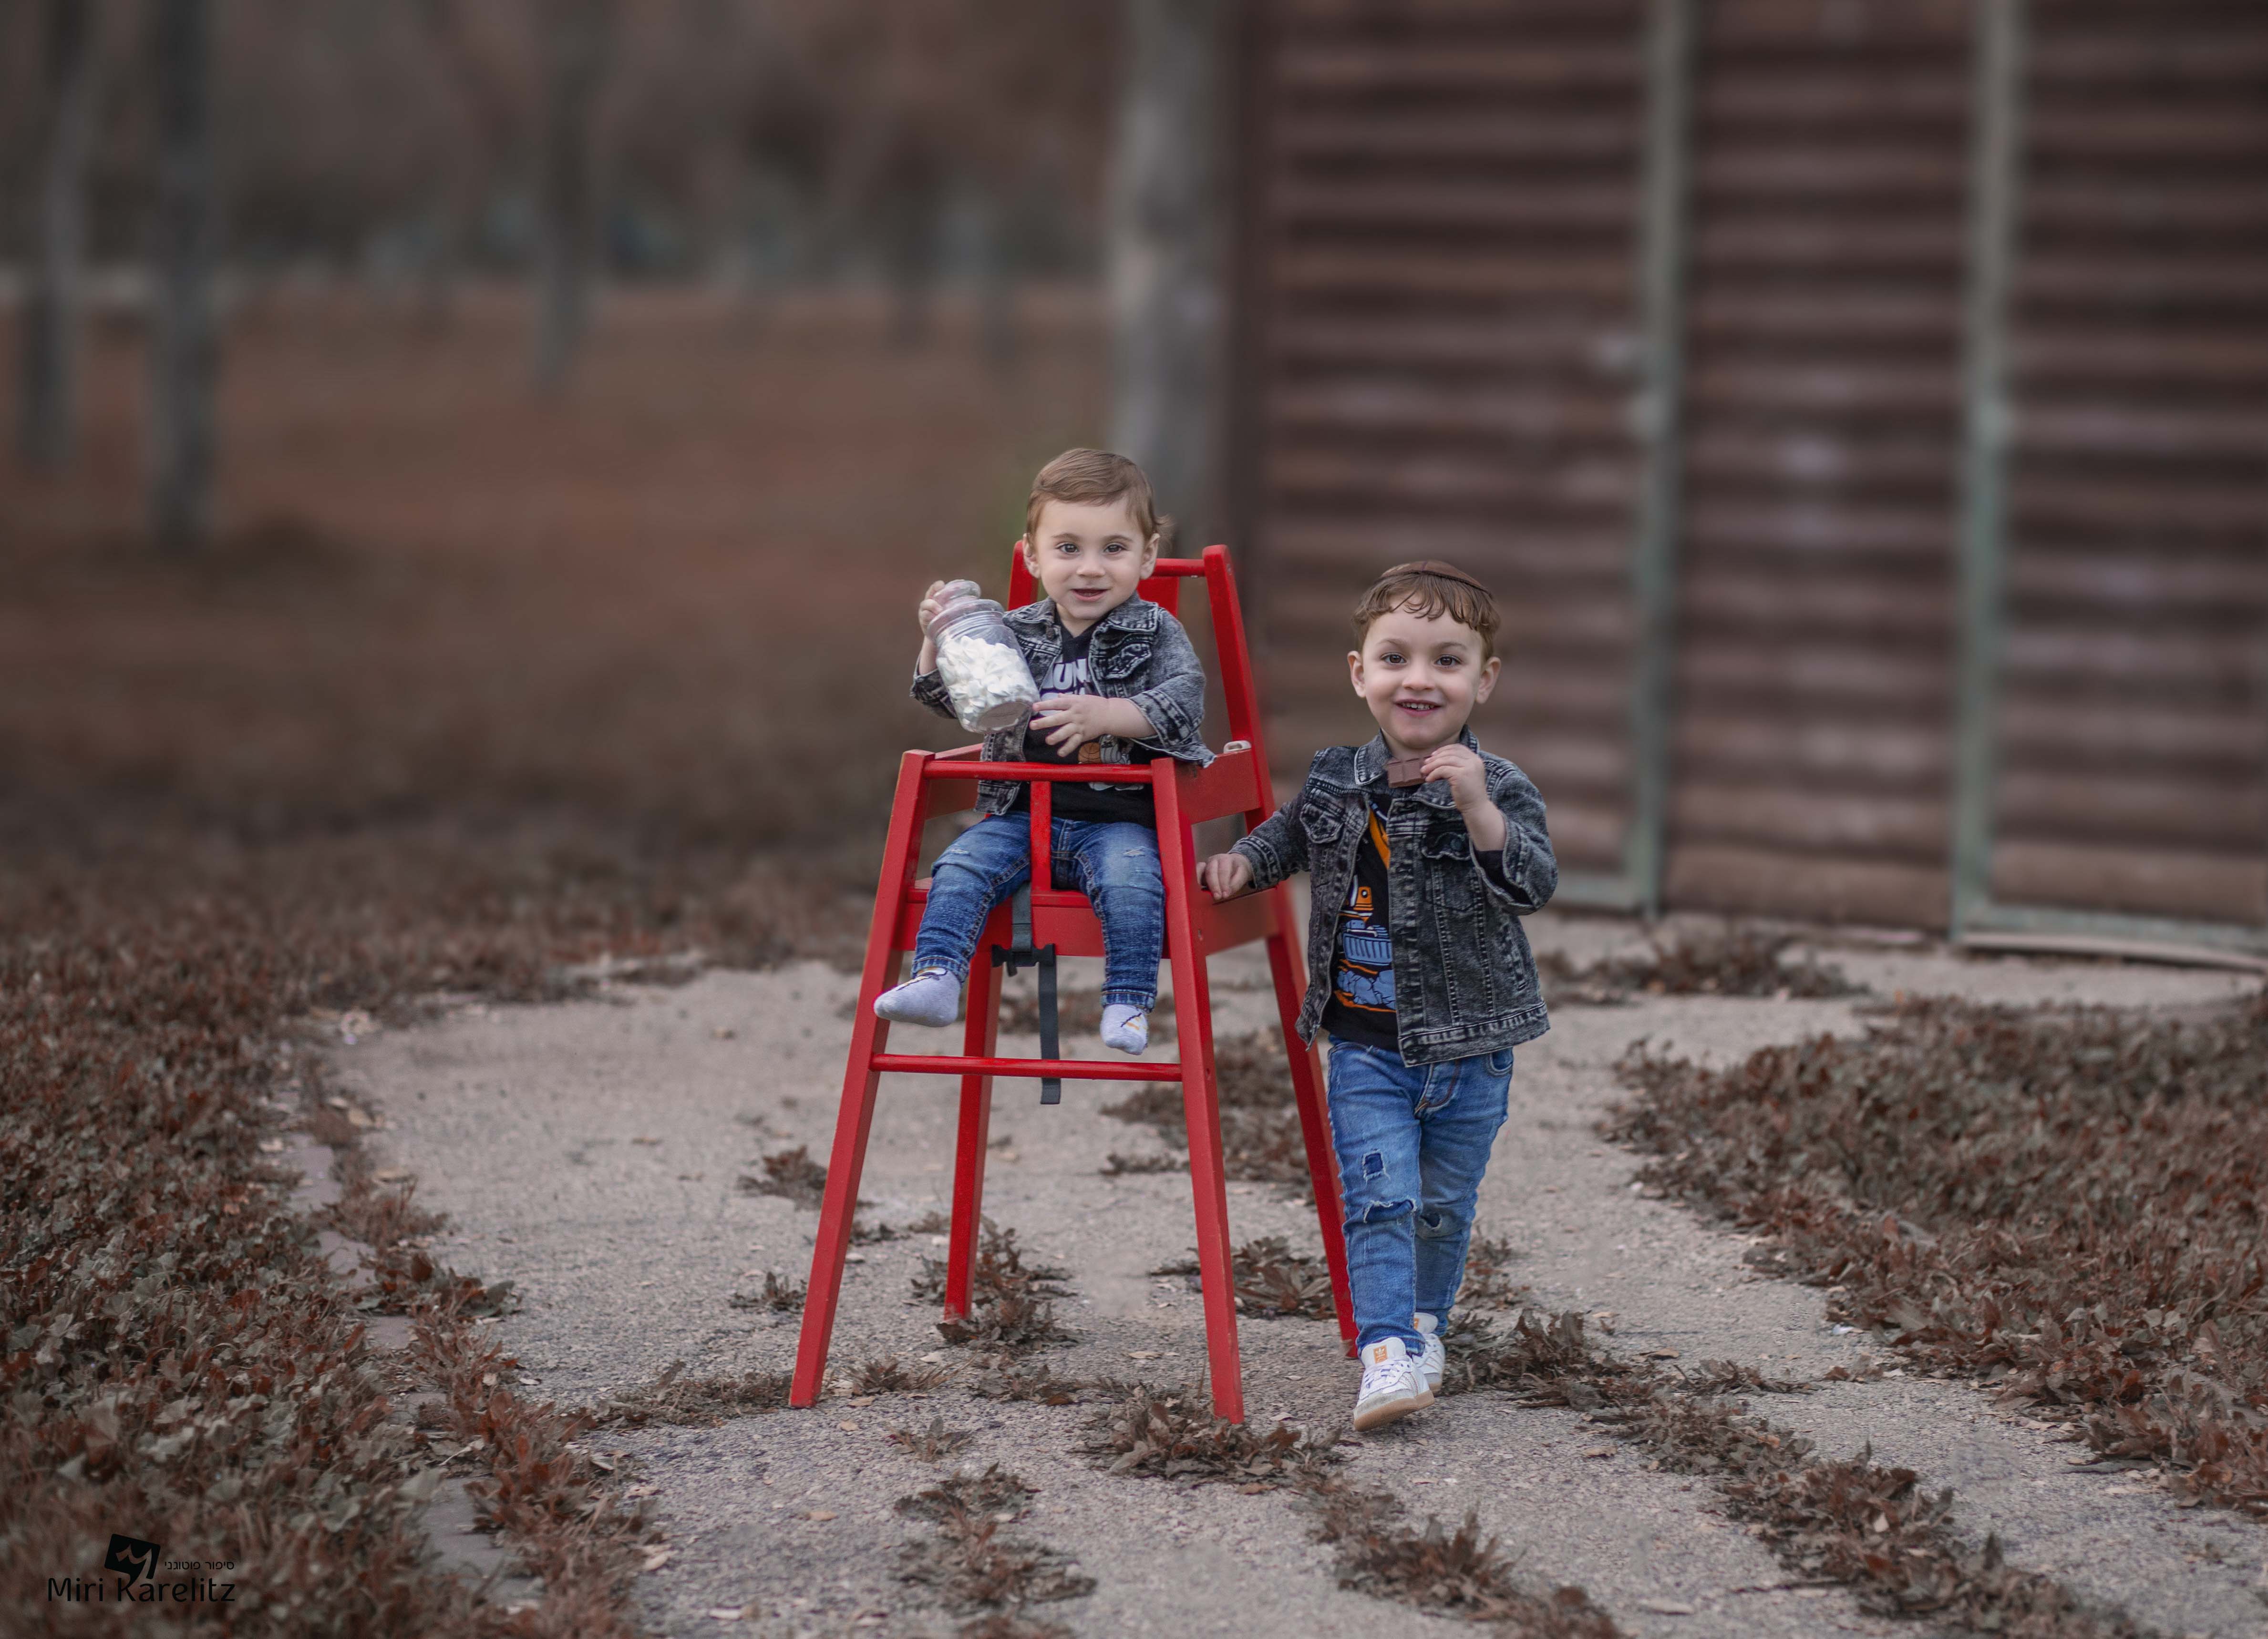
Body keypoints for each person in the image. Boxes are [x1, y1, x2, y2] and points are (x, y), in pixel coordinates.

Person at [1196, 562, 1555, 1430]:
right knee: (1381, 1193)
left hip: (1473, 1044)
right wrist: (1246, 862)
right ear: (1360, 673)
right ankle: (1384, 1349)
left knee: (1441, 1203)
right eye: (1394, 657)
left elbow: (1531, 883)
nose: (1419, 678)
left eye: (1446, 660)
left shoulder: (1497, 784)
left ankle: (1427, 1324)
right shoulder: (1334, 776)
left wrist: (1476, 808)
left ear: (1483, 679)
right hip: (1363, 1044)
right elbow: (1288, 835)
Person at [874, 449, 1212, 1055]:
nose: (1090, 569)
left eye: (1113, 549)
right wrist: (938, 642)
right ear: (1032, 554)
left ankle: (1129, 1002)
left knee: (1134, 883)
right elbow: (962, 702)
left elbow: (1185, 704)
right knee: (961, 865)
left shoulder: (1158, 631)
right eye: (1067, 549)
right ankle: (936, 976)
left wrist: (1110, 715)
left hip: (1118, 820)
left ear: (1148, 556)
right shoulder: (1014, 630)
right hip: (1019, 815)